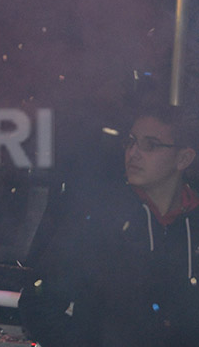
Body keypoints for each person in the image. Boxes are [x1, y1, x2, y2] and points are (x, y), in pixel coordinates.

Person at [19, 99, 199, 346]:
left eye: (150, 145)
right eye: (131, 141)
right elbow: (38, 302)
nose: (134, 152)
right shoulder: (98, 218)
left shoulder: (194, 224)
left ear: (183, 159)